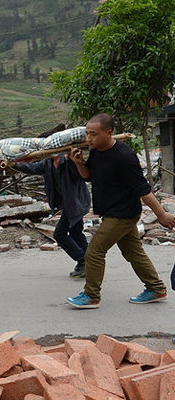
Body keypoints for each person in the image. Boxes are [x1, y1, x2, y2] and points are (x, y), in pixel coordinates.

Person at [66, 113, 175, 309]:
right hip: (112, 211)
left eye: (93, 134)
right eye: (87, 134)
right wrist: (79, 163)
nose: (88, 138)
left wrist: (161, 214)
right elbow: (88, 176)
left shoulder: (124, 156)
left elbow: (143, 190)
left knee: (94, 252)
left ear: (109, 133)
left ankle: (91, 296)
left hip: (123, 213)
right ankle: (156, 288)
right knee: (133, 253)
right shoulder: (97, 151)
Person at [12, 153, 90, 278]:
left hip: (76, 203)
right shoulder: (47, 163)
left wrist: (77, 161)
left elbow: (82, 174)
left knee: (59, 234)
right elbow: (32, 168)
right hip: (67, 205)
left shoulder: (69, 161)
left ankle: (82, 261)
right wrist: (15, 164)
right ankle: (90, 263)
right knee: (76, 232)